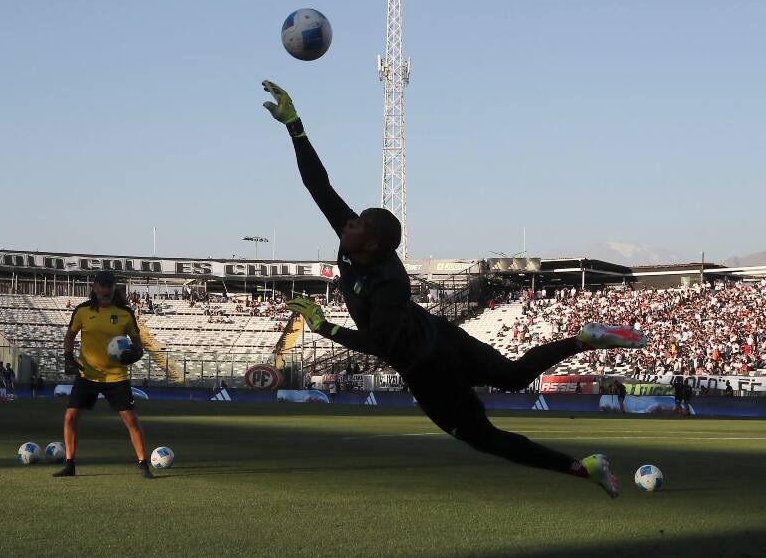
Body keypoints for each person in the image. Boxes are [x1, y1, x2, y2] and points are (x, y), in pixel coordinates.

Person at [261, 80, 646, 498]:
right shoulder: (360, 243)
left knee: (482, 437)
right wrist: (295, 126)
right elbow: (319, 186)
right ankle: (583, 339)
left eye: (357, 224)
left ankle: (583, 468)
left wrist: (325, 329)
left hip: (428, 368)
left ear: (371, 244)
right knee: (514, 377)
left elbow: (380, 344)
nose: (347, 223)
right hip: (442, 335)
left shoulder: (389, 283)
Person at [53, 271, 152, 479]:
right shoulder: (82, 311)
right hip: (87, 374)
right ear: (95, 288)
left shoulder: (125, 313)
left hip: (116, 377)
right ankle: (69, 464)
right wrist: (68, 358)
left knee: (131, 420)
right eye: (102, 285)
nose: (106, 289)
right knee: (70, 417)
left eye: (109, 285)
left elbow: (138, 345)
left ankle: (144, 464)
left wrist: (134, 355)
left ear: (113, 288)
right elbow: (70, 336)